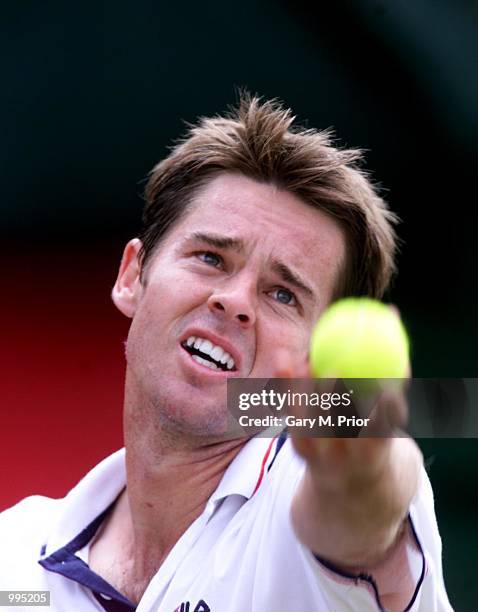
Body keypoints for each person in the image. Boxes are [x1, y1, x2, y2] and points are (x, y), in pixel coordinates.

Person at [0, 95, 452, 611]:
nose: (235, 301)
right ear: (132, 276)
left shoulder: (303, 500)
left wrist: (359, 473)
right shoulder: (13, 565)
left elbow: (363, 516)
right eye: (210, 257)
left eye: (284, 294)